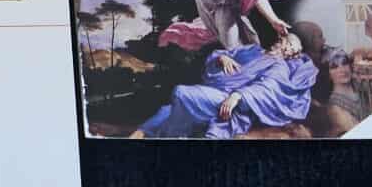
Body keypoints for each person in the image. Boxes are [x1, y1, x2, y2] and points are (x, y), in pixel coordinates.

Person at [133, 31, 318, 138]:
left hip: (229, 98)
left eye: (286, 43)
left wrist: (238, 96)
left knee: (181, 93)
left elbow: (267, 87)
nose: (280, 42)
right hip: (212, 89)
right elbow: (223, 54)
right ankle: (145, 134)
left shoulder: (279, 66)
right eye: (282, 39)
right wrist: (222, 58)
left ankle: (172, 136)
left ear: (291, 52)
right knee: (166, 110)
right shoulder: (254, 50)